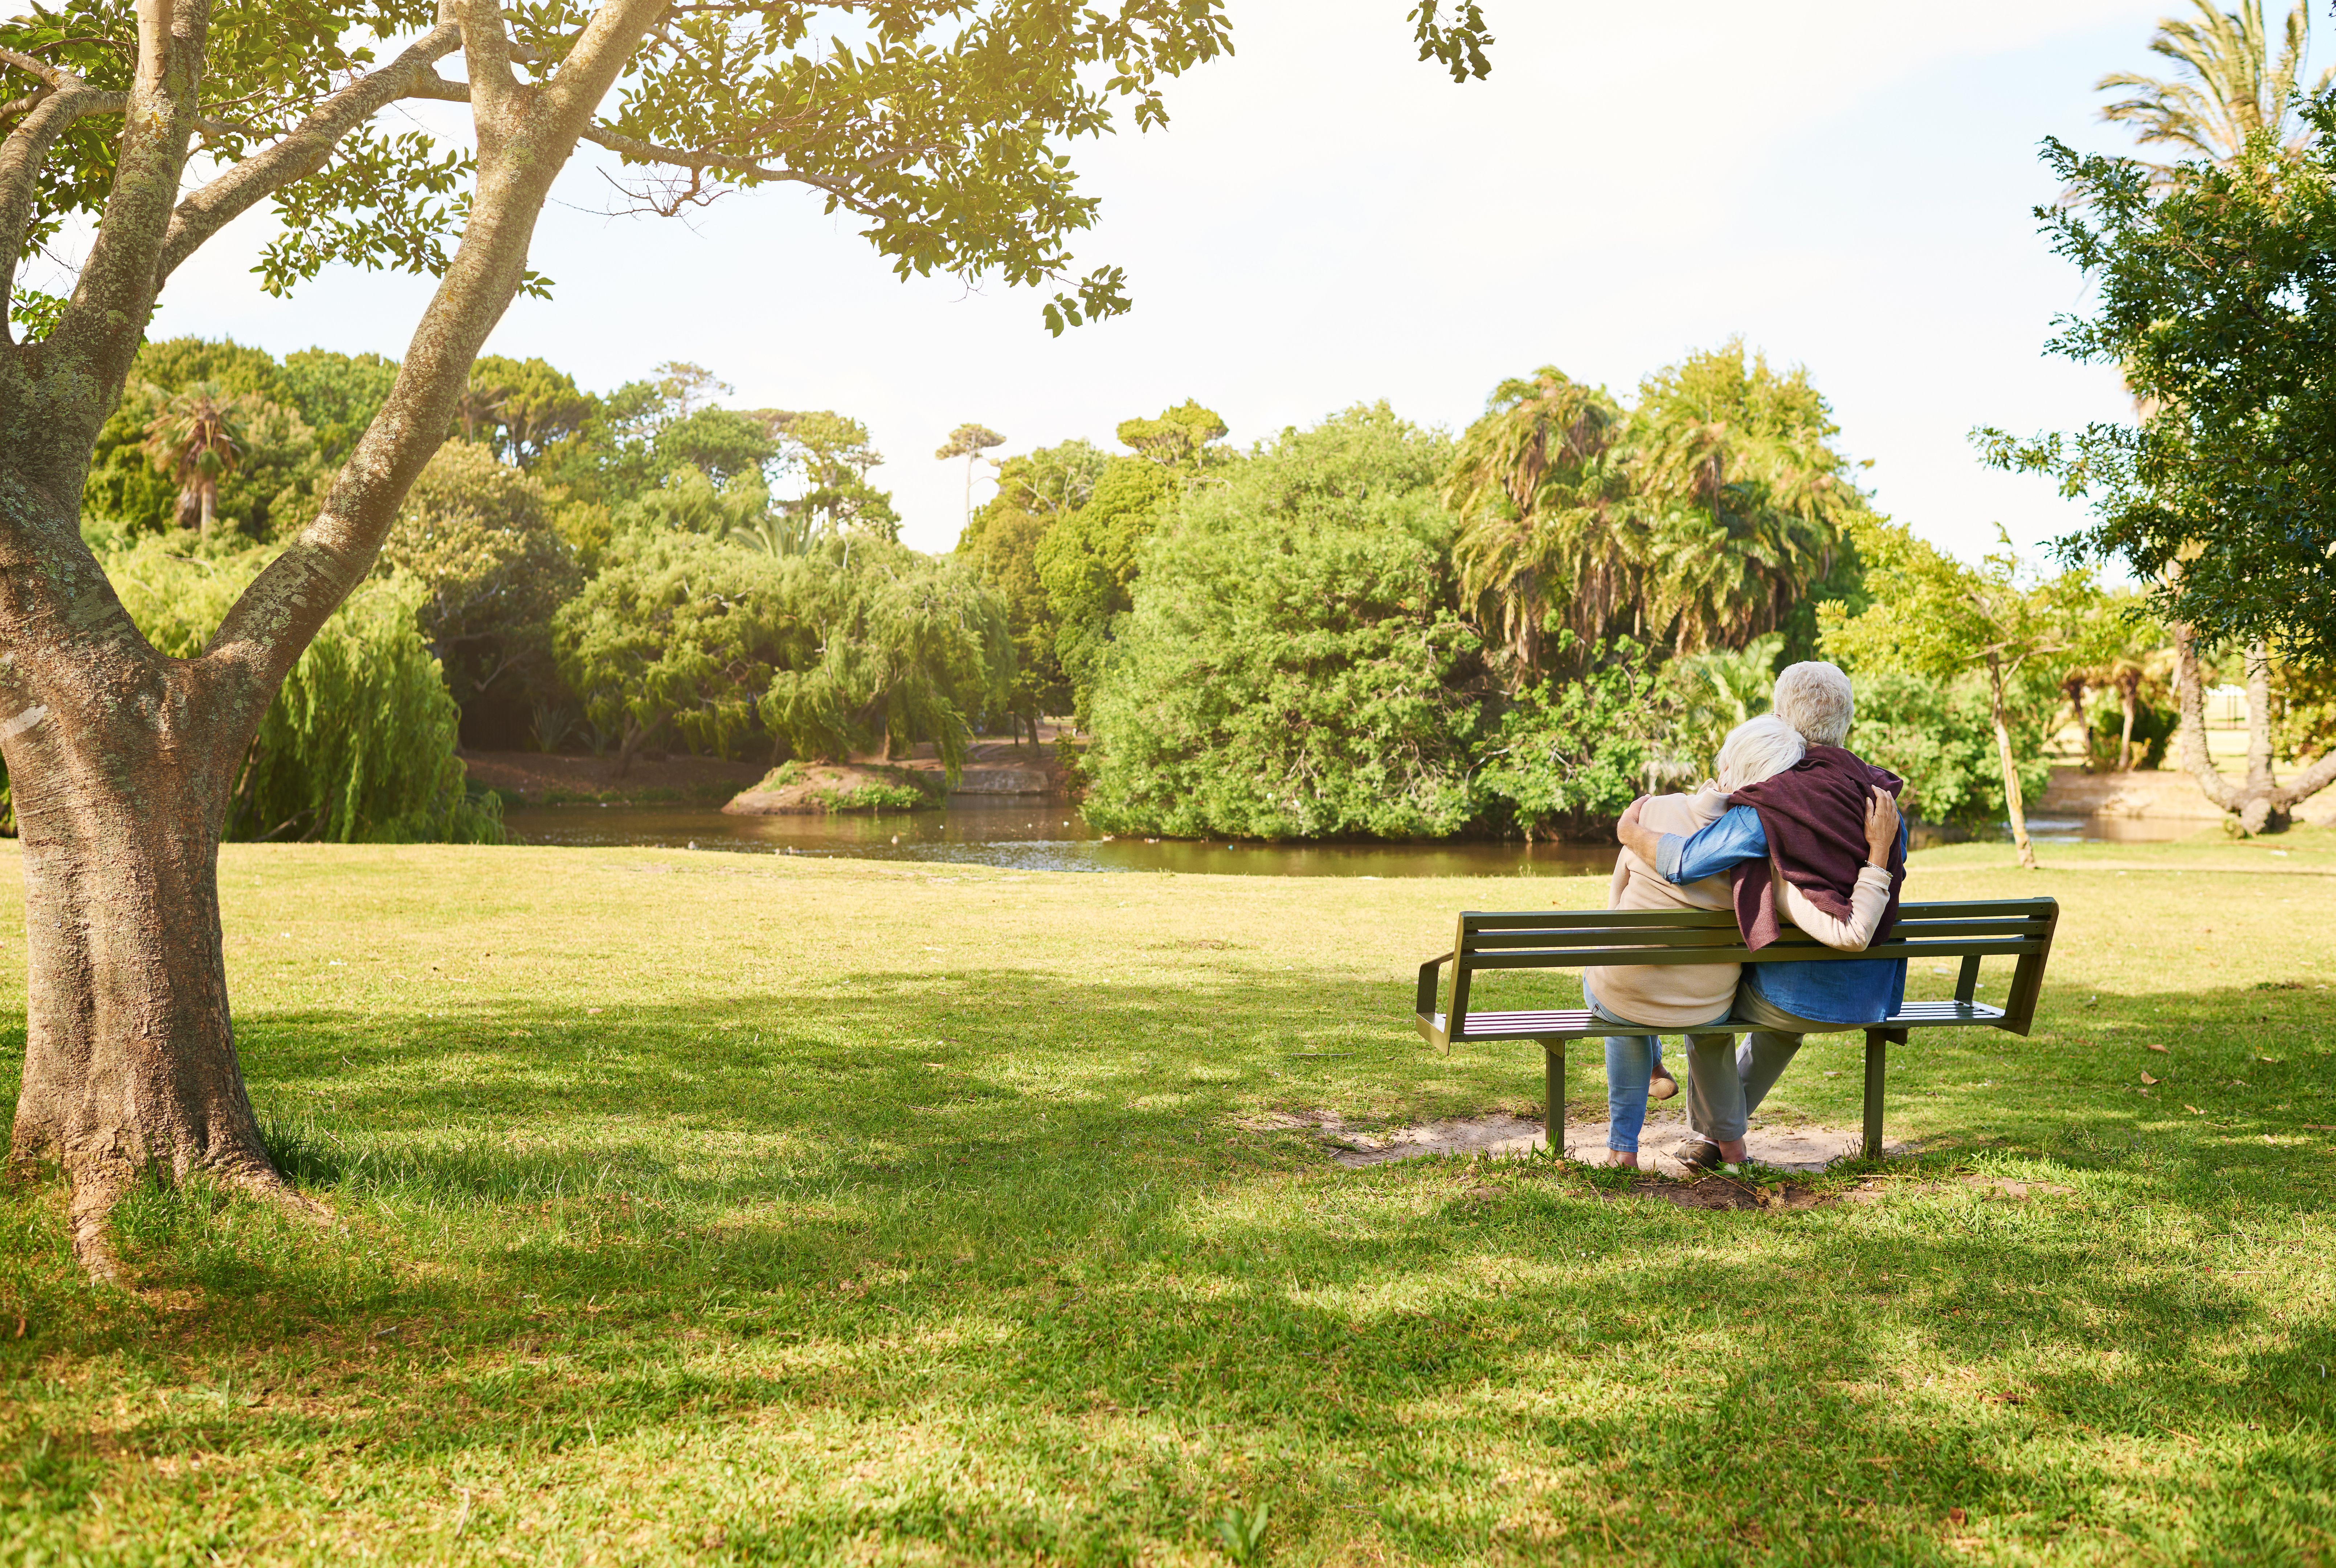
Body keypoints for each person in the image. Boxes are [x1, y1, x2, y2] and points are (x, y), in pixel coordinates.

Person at [1614, 661, 1909, 1171]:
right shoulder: (1878, 796)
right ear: (1848, 723)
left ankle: (1719, 1136)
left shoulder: (1775, 801)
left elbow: (1685, 862)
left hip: (1799, 990)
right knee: (1768, 1014)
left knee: (1709, 1001)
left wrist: (1631, 835)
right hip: (1873, 991)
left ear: (1780, 717)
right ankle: (1717, 1139)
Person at [1585, 716, 1805, 1168]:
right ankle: (1732, 1151)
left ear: (1724, 763)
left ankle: (1622, 1150)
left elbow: (1616, 897)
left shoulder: (1654, 811)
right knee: (1708, 1031)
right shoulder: (1767, 849)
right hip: (1706, 1004)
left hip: (1627, 990)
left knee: (1619, 996)